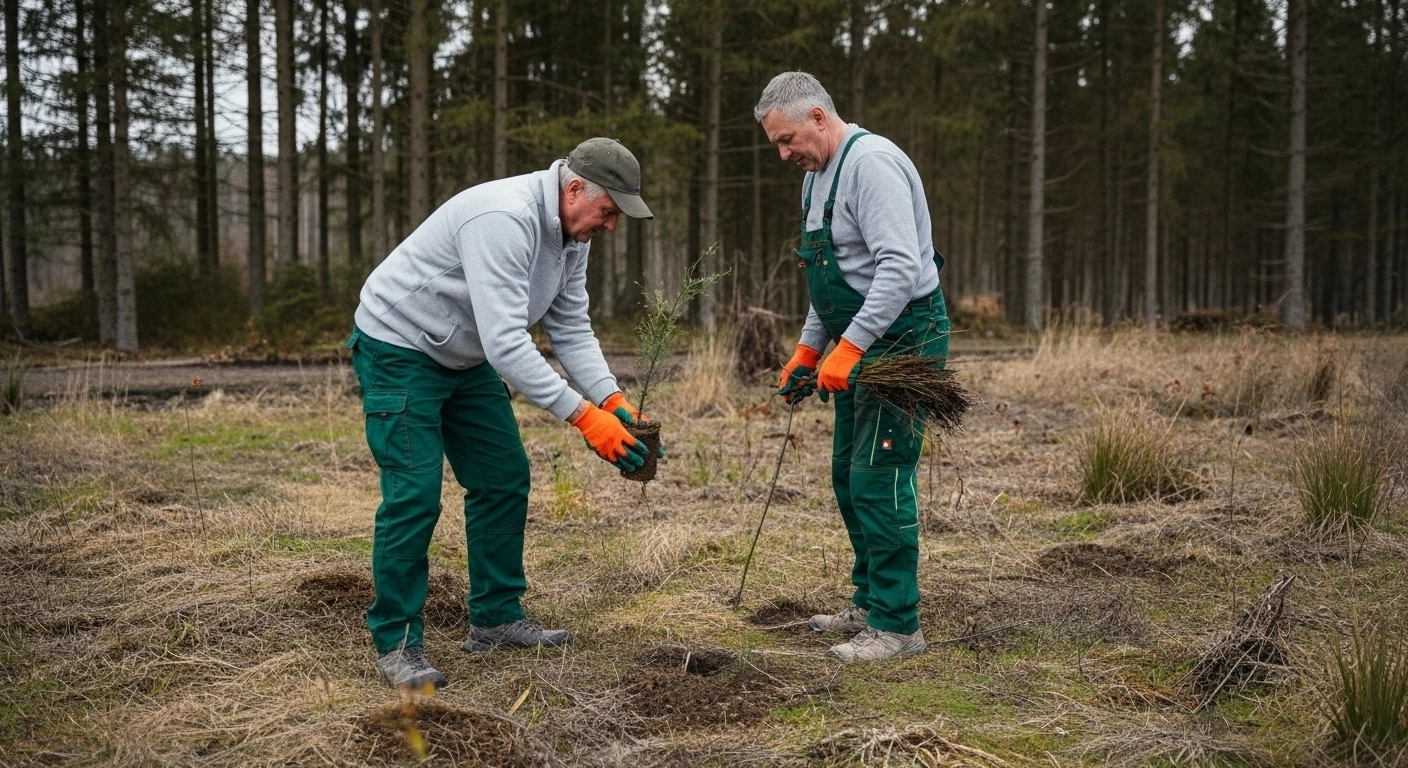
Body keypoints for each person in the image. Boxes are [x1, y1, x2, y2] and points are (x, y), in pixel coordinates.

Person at [348, 138, 656, 691]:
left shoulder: (570, 234)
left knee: (502, 475)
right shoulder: (505, 219)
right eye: (608, 212)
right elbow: (509, 346)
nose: (610, 227)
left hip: (463, 353)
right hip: (399, 345)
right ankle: (397, 642)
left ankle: (494, 619)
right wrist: (585, 417)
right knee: (414, 493)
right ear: (574, 189)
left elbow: (569, 327)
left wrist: (611, 399)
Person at [756, 72, 950, 662]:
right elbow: (830, 279)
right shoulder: (817, 180)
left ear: (818, 116)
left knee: (880, 476)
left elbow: (898, 267)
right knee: (848, 472)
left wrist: (852, 345)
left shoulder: (873, 165)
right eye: (777, 146)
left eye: (788, 139)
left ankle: (898, 627)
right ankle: (869, 601)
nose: (785, 154)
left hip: (904, 339)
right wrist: (811, 348)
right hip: (859, 342)